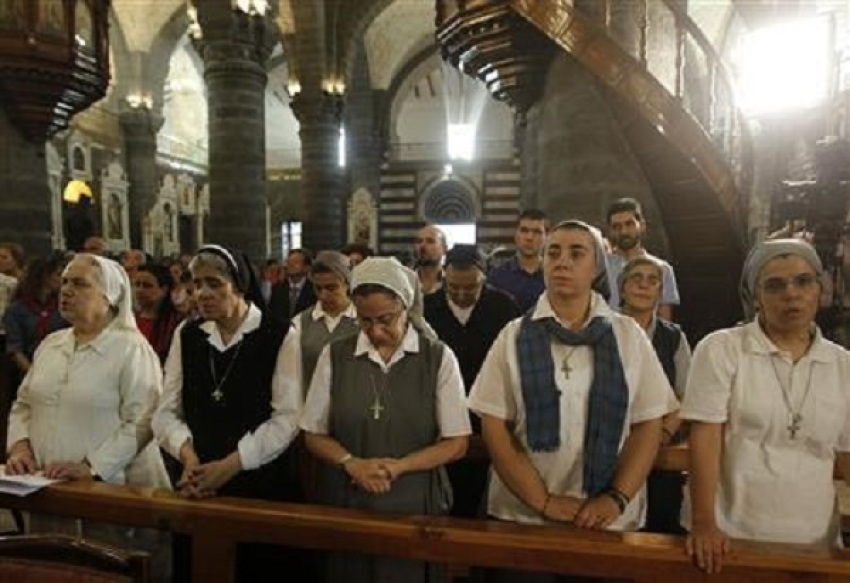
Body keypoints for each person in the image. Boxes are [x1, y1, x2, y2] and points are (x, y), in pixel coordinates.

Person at [468, 220, 673, 582]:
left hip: (608, 520)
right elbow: (495, 426)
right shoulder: (513, 335)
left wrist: (616, 499)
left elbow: (647, 425)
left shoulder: (627, 336)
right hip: (524, 515)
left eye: (576, 253)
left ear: (596, 267)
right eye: (553, 252)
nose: (562, 261)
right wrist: (542, 501)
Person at [682, 239, 850, 574]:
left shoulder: (843, 365)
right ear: (755, 297)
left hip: (814, 541)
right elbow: (705, 439)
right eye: (775, 285)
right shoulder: (722, 349)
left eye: (803, 281)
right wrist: (704, 523)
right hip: (730, 538)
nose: (791, 293)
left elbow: (847, 454)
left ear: (820, 288)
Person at [300, 256, 471, 583]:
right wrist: (352, 463)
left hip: (415, 506)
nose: (375, 331)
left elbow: (457, 442)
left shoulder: (437, 357)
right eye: (365, 321)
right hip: (349, 502)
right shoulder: (335, 355)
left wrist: (399, 467)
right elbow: (314, 434)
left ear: (406, 307)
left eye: (386, 319)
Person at [6, 253, 170, 575]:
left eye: (79, 284)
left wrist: (92, 466)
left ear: (110, 297)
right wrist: (20, 445)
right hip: (48, 489)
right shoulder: (51, 344)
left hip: (115, 492)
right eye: (64, 282)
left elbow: (143, 420)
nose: (65, 290)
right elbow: (24, 403)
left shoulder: (131, 349)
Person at [152, 244, 307, 582]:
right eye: (195, 284)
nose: (201, 294)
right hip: (195, 482)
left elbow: (287, 418)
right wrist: (189, 459)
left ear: (238, 285)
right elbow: (165, 412)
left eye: (214, 284)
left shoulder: (279, 334)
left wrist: (230, 465)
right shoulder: (188, 333)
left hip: (259, 480)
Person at [424, 244, 520, 517]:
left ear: (484, 278)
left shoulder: (503, 306)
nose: (462, 295)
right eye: (453, 287)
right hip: (441, 413)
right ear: (444, 276)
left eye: (471, 288)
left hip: (489, 414)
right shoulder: (428, 309)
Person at [618, 255, 691, 534]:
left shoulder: (673, 337)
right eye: (636, 279)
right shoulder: (603, 330)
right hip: (615, 444)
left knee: (661, 523)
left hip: (662, 446)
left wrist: (660, 436)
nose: (643, 286)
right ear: (622, 288)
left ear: (660, 293)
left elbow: (685, 394)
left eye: (652, 282)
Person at [606, 198, 680, 320]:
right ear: (610, 231)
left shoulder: (662, 268)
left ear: (642, 225)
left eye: (629, 224)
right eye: (617, 226)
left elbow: (664, 320)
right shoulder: (599, 266)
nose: (624, 231)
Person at [294, 251, 358, 391]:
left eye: (331, 287)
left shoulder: (363, 321)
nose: (323, 295)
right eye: (318, 288)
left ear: (347, 284)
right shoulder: (300, 323)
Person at [4, 253, 68, 385]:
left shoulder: (62, 306)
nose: (62, 280)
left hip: (62, 369)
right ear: (44, 277)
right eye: (57, 274)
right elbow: (15, 349)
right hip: (30, 370)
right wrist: (34, 375)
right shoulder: (17, 310)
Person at [487, 209, 547, 312]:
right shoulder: (497, 277)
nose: (529, 237)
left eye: (537, 232)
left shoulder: (555, 276)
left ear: (547, 237)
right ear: (516, 235)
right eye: (524, 231)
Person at [134, 264, 183, 365]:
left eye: (147, 286)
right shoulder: (130, 319)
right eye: (137, 284)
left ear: (164, 290)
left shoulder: (175, 323)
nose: (140, 290)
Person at [269, 248, 316, 321]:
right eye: (288, 262)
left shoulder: (314, 289)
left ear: (307, 267)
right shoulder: (278, 288)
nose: (290, 265)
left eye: (295, 262)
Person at [413, 225, 447, 295]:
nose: (422, 245)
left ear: (444, 249)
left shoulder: (451, 282)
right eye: (419, 241)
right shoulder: (405, 280)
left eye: (430, 241)